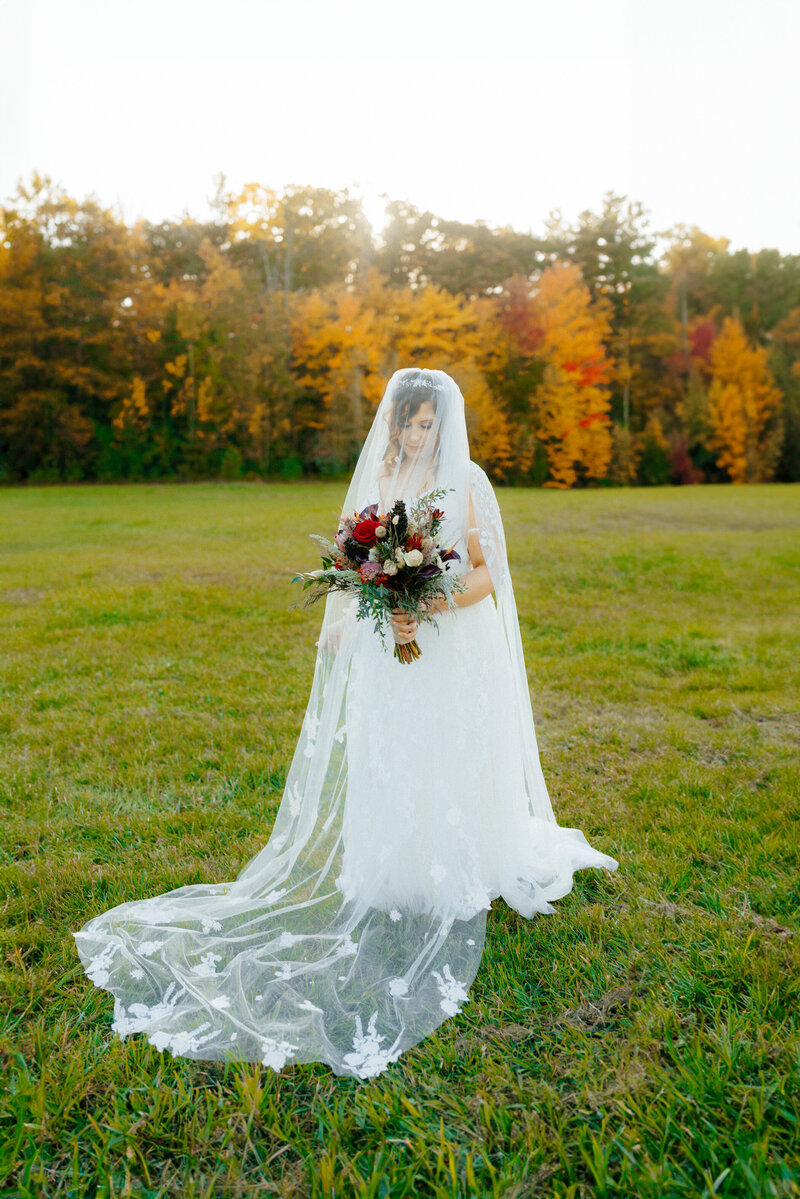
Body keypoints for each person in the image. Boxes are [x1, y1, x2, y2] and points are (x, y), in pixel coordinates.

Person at [72, 367, 619, 1080]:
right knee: (389, 751)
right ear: (393, 423)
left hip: (449, 646)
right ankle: (393, 866)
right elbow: (352, 560)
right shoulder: (379, 477)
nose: (420, 433)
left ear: (447, 425)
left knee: (446, 751)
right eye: (410, 421)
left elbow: (487, 575)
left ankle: (466, 857)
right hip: (386, 647)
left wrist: (427, 605)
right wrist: (358, 608)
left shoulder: (466, 481)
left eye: (430, 423)